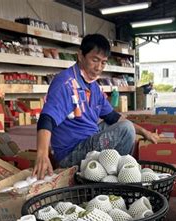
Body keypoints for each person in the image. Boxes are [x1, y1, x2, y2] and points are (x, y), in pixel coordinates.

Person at [33, 33, 159, 179]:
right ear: (80, 56)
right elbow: (47, 118)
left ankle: (112, 172)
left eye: (103, 62)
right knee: (126, 129)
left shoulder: (93, 87)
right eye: (95, 60)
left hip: (88, 140)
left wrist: (145, 132)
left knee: (123, 124)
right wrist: (42, 154)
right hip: (71, 153)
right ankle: (116, 177)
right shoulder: (66, 83)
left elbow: (113, 117)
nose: (99, 67)